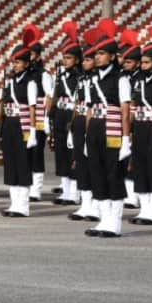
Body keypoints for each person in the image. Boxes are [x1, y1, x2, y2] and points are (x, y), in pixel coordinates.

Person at [82, 19, 131, 238]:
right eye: (96, 53)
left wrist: (126, 139)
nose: (97, 57)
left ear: (112, 56)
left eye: (102, 54)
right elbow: (90, 109)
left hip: (112, 129)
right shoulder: (92, 80)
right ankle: (103, 219)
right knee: (97, 173)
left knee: (113, 174)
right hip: (95, 129)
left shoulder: (121, 79)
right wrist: (86, 136)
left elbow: (125, 111)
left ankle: (114, 222)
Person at [0, 37, 38, 218]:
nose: (15, 65)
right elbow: (2, 104)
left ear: (27, 64)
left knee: (22, 163)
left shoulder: (30, 82)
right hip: (9, 123)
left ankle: (23, 204)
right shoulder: (9, 82)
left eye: (19, 62)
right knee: (11, 163)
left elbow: (32, 108)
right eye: (14, 62)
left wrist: (32, 132)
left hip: (23, 124)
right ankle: (14, 203)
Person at [128, 27, 152, 225]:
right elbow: (133, 106)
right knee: (140, 167)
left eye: (146, 62)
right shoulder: (139, 80)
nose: (142, 66)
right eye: (141, 62)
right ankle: (144, 209)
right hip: (140, 127)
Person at [50, 22, 84, 206]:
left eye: (69, 57)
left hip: (73, 115)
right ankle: (65, 189)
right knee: (61, 153)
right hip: (61, 115)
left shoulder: (81, 77)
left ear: (77, 59)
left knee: (73, 154)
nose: (65, 60)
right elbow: (55, 97)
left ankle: (75, 192)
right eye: (64, 57)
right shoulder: (61, 75)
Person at [69, 32, 100, 222]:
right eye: (85, 59)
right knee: (80, 163)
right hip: (79, 122)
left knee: (94, 164)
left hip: (94, 123)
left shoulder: (97, 79)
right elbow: (76, 105)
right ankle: (85, 203)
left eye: (89, 59)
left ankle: (96, 204)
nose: (85, 63)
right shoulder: (81, 79)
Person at [25, 25, 52, 202]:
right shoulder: (23, 73)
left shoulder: (43, 74)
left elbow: (49, 96)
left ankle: (36, 187)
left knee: (36, 152)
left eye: (31, 55)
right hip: (24, 118)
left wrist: (46, 118)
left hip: (39, 119)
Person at [118, 29, 142, 210]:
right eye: (124, 60)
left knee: (135, 159)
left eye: (129, 61)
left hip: (137, 121)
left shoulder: (140, 78)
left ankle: (134, 195)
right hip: (123, 122)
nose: (125, 64)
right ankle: (128, 193)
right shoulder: (123, 76)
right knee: (125, 159)